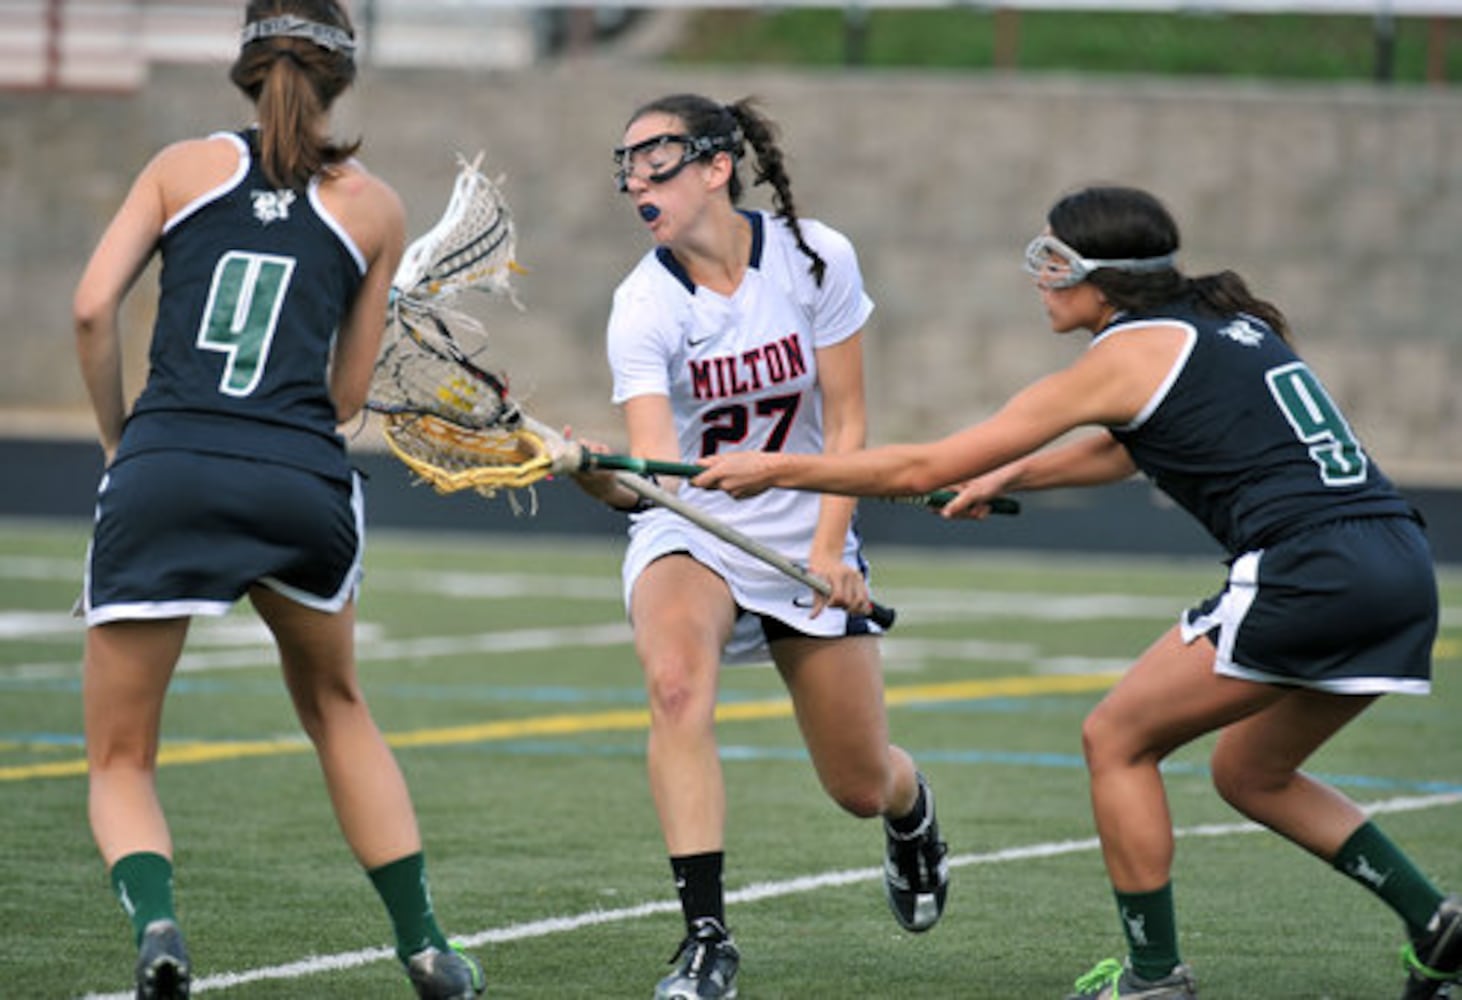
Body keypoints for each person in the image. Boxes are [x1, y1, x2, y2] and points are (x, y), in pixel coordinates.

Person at [693, 184, 1459, 1000]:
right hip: (1400, 566)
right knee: (1251, 774)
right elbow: (1134, 449)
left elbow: (921, 468)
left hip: (1309, 570)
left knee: (1116, 739)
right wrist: (1017, 473)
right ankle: (1437, 924)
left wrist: (774, 467)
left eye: (1052, 261)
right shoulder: (1226, 327)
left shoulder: (1125, 355)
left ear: (1104, 278)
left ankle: (1153, 978)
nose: (1041, 278)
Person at [71, 4, 484, 998]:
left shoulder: (178, 168)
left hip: (165, 465)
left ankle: (162, 924)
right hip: (299, 482)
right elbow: (344, 401)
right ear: (342, 77)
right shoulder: (374, 208)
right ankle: (426, 945)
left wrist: (124, 440)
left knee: (121, 756)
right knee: (338, 708)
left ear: (246, 67)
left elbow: (91, 307)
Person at [571, 93, 950, 1000]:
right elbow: (655, 477)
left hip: (806, 522)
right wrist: (592, 471)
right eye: (625, 165)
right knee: (674, 686)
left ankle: (913, 809)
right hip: (691, 533)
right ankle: (706, 939)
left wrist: (832, 550)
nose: (636, 180)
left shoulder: (816, 256)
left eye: (656, 159)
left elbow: (849, 418)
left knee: (860, 784)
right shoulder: (641, 306)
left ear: (715, 167)